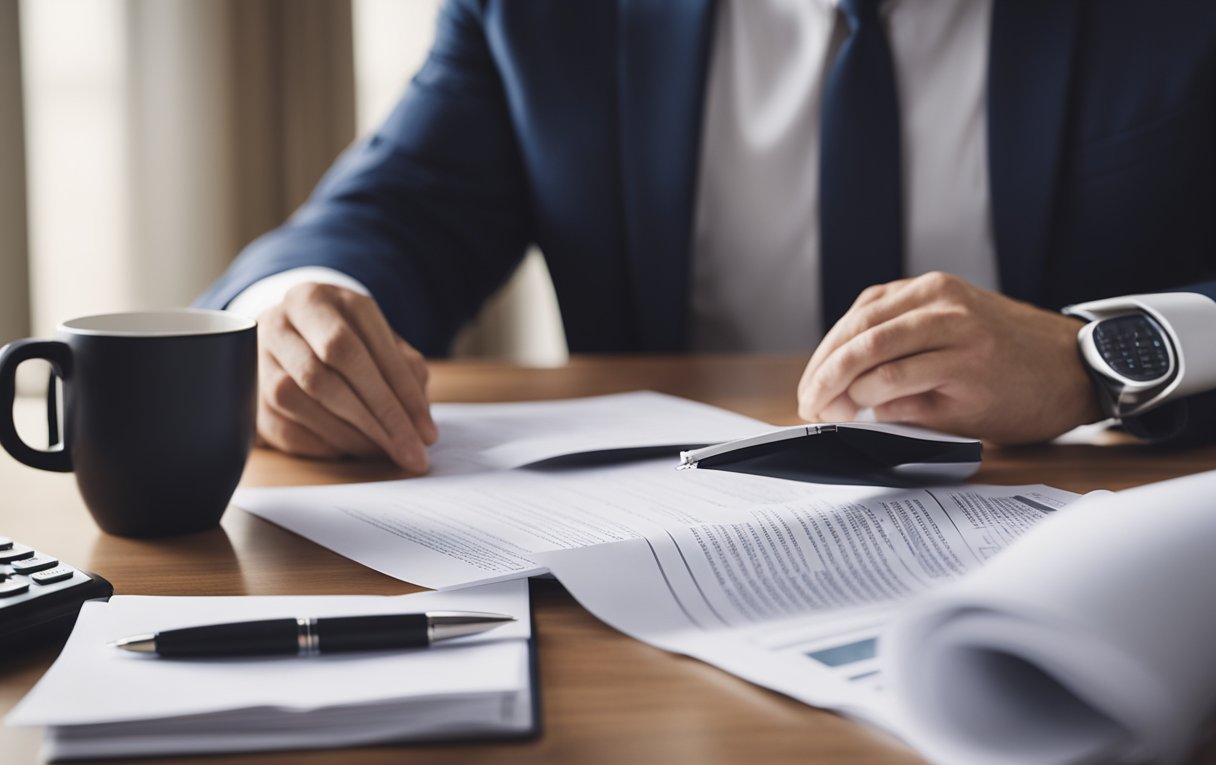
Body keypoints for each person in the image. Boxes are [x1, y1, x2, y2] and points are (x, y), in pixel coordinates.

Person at [198, 0, 1216, 472]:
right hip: (667, 583)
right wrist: (284, 320)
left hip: (1081, 546)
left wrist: (1096, 359)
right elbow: (393, 211)